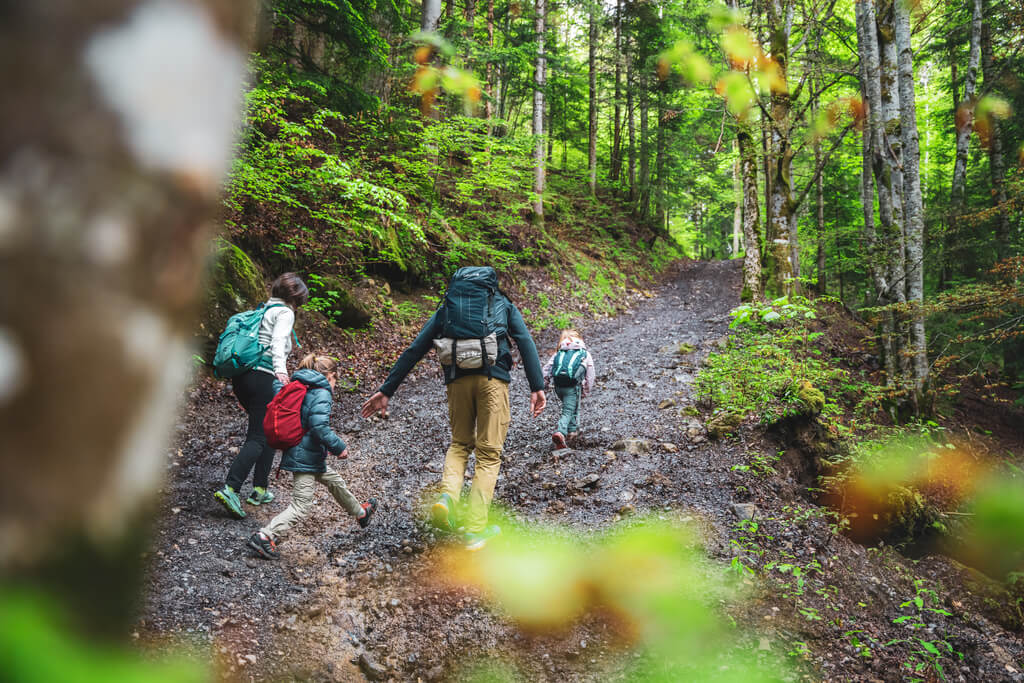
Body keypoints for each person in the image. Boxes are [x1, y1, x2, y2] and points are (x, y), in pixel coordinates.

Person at [360, 266, 546, 551]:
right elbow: (525, 342)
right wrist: (537, 385)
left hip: (457, 382)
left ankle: (448, 497)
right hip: (492, 382)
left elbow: (416, 348)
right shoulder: (501, 304)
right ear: (490, 286)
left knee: (460, 444)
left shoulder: (449, 307)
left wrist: (387, 390)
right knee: (488, 454)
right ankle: (474, 530)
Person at [248, 354, 377, 560]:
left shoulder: (299, 385)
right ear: (330, 376)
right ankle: (264, 536)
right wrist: (339, 447)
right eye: (335, 380)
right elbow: (319, 427)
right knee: (301, 506)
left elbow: (277, 391)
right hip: (304, 456)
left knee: (334, 480)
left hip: (304, 452)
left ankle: (361, 513)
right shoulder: (320, 392)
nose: (335, 385)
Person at [214, 272, 308, 519]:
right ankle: (230, 488)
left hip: (243, 378)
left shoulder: (263, 310)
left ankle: (259, 488)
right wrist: (281, 371)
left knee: (266, 431)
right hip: (264, 377)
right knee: (258, 436)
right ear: (295, 297)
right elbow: (278, 341)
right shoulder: (285, 312)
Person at [542, 328, 596, 449]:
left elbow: (546, 370)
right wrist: (586, 390)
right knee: (568, 410)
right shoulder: (584, 353)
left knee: (570, 407)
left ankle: (572, 433)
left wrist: (544, 386)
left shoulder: (559, 352)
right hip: (573, 387)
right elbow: (591, 374)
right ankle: (560, 432)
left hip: (558, 387)